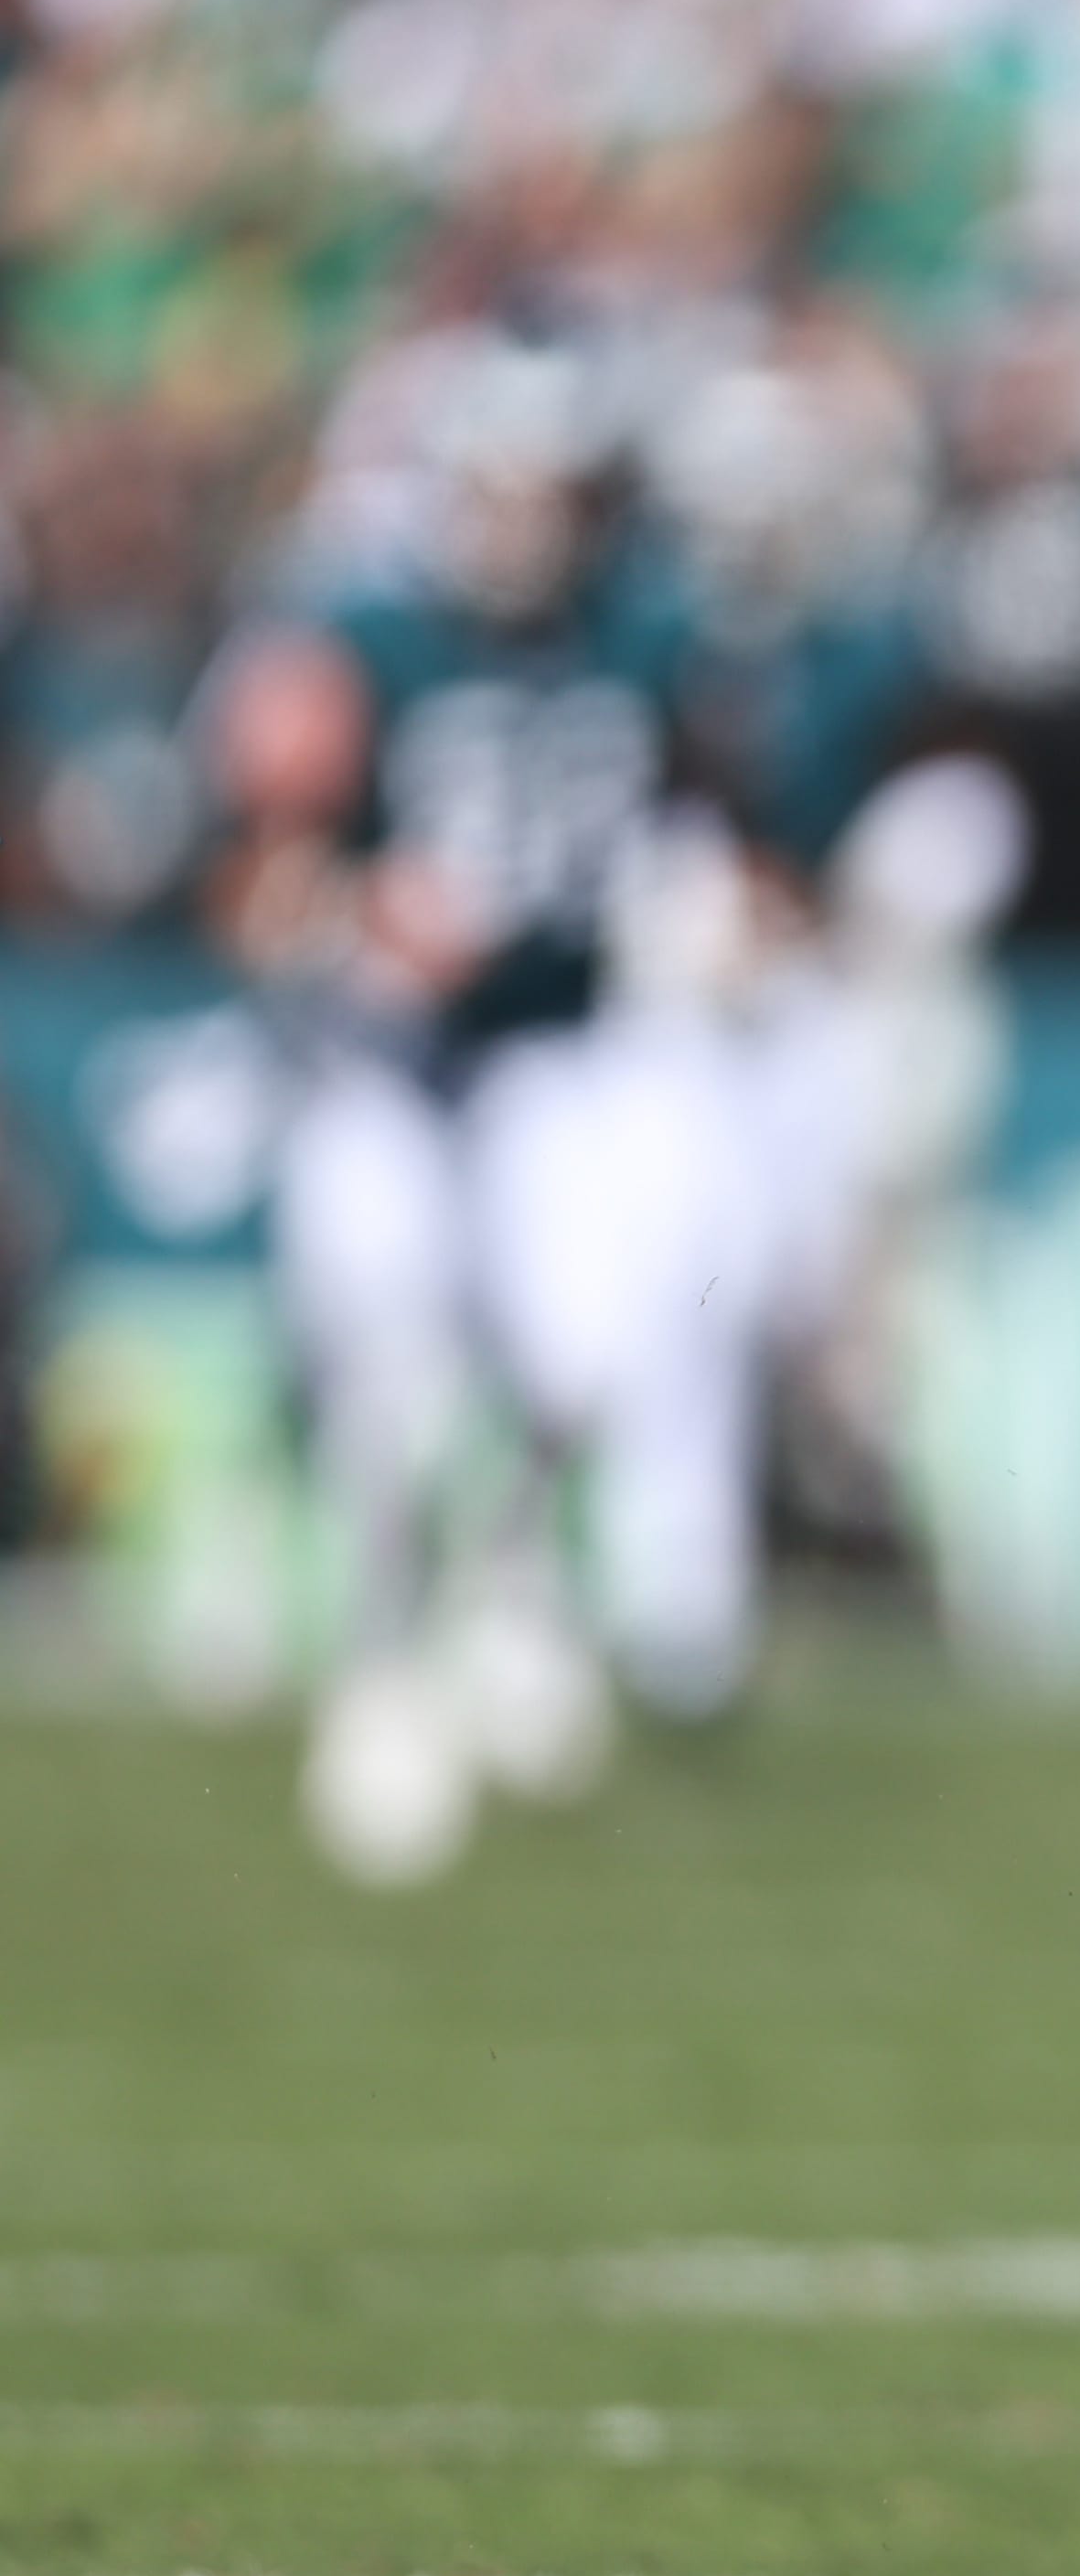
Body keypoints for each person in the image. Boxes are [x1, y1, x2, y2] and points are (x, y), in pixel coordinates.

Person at [208, 332, 775, 1887]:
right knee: (387, 1360)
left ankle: (510, 1583)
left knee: (581, 1356)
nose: (521, 520)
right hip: (381, 1062)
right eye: (497, 486)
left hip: (557, 1057)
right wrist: (355, 919)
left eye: (546, 489)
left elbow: (726, 840)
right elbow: (253, 884)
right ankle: (379, 1658)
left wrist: (707, 915)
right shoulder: (360, 639)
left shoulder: (646, 635)